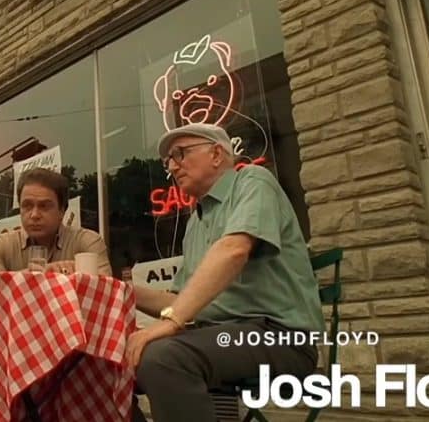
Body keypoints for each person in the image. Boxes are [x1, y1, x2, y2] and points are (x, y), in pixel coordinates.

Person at [126, 123, 322, 421]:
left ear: (217, 154)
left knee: (163, 358)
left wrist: (173, 321)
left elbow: (234, 250)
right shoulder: (195, 222)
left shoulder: (253, 181)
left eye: (180, 153)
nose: (172, 166)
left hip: (279, 336)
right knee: (110, 362)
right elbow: (177, 302)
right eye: (168, 161)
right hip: (218, 335)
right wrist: (123, 291)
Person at [0, 167, 111, 275]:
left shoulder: (88, 242)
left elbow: (107, 294)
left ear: (62, 211)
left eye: (44, 206)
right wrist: (38, 275)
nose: (34, 215)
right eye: (27, 205)